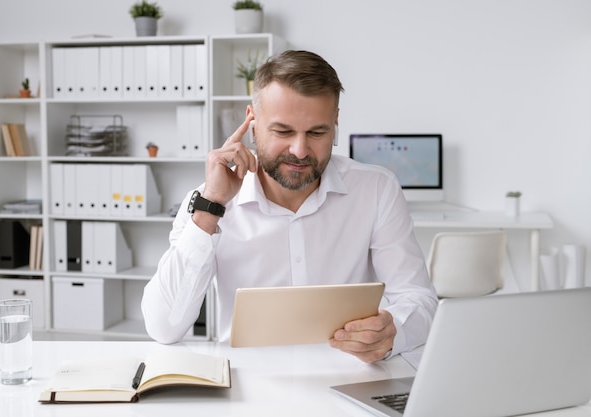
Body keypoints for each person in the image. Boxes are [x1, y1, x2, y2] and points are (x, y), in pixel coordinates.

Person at [142, 50, 438, 363]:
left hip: (350, 383)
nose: (299, 150)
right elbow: (164, 327)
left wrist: (393, 331)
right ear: (251, 123)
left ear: (335, 123)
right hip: (249, 389)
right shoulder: (206, 201)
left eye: (317, 132)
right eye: (283, 131)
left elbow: (417, 299)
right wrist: (210, 208)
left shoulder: (376, 189)